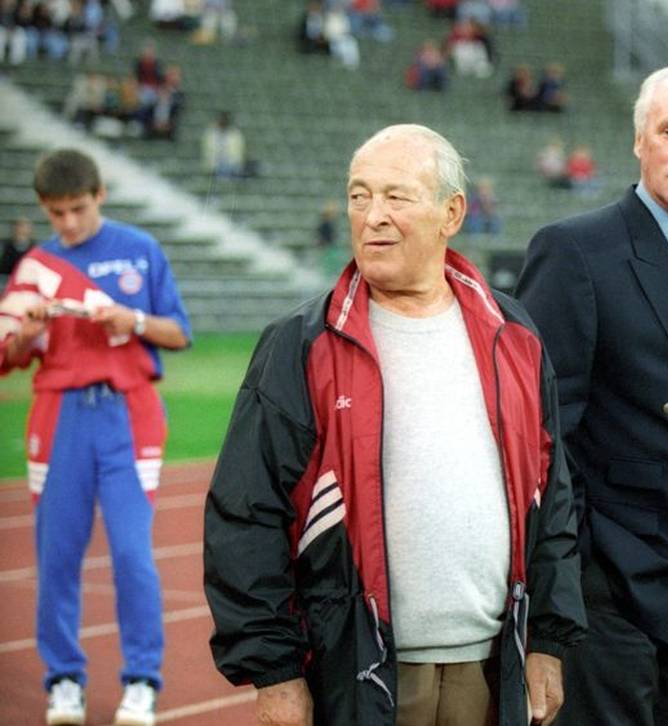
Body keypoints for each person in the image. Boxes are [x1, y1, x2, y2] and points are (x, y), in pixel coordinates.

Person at [203, 124, 585, 726]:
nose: (372, 215)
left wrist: (549, 641)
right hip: (358, 670)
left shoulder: (514, 335)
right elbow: (247, 514)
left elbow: (552, 497)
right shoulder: (300, 345)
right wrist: (273, 671)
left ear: (451, 213)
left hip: (492, 667)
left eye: (396, 197)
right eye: (360, 196)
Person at [515, 63, 668, 726]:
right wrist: (572, 586)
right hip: (608, 605)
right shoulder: (575, 252)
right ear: (639, 141)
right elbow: (541, 440)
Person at [0, 148, 192, 726]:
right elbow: (8, 355)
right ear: (43, 210)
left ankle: (142, 681)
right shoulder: (33, 266)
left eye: (77, 209)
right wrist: (26, 336)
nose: (68, 224)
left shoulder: (140, 249)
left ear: (99, 195)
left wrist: (129, 320)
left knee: (133, 555)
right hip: (58, 418)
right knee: (56, 557)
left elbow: (179, 333)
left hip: (128, 417)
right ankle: (63, 680)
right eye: (56, 213)